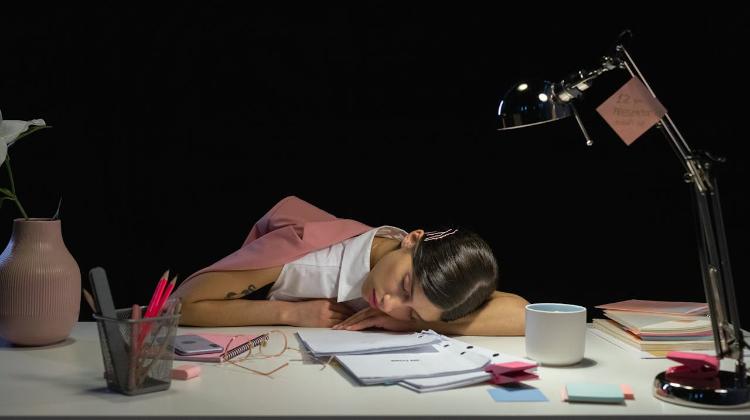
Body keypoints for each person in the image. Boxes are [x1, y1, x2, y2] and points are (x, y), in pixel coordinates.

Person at [173, 196, 528, 336]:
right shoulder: (306, 256)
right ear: (412, 238)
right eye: (404, 289)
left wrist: (406, 323)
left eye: (413, 311)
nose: (389, 304)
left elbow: (524, 314)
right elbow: (181, 305)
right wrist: (289, 314)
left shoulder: (425, 280)